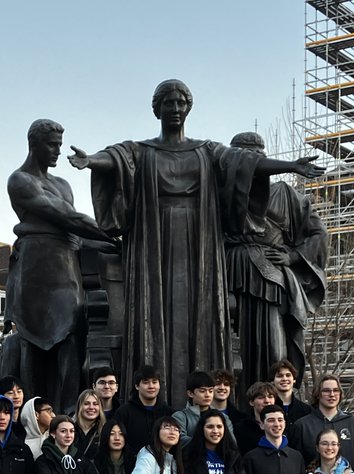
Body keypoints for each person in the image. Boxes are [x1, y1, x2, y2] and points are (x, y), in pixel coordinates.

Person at [70, 79, 322, 403]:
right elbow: (116, 159)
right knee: (153, 317)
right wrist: (90, 160)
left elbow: (245, 163)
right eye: (168, 103)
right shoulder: (142, 150)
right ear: (157, 109)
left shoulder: (207, 150)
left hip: (199, 247)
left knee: (202, 317)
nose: (174, 109)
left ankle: (202, 400)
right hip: (153, 245)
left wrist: (289, 165)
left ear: (188, 109)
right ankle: (153, 398)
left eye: (180, 103)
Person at [4, 118, 111, 413]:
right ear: (34, 144)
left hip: (66, 264)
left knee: (70, 334)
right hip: (36, 266)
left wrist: (110, 241)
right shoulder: (20, 180)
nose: (57, 151)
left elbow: (75, 227)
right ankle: (30, 413)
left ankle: (67, 412)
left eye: (59, 145)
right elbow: (67, 217)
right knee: (32, 341)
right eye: (51, 145)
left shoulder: (62, 184)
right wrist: (111, 236)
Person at [225, 132, 328, 385]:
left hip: (268, 275)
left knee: (273, 346)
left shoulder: (285, 194)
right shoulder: (222, 197)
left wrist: (293, 256)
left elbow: (320, 233)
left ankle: (274, 406)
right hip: (227, 270)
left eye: (252, 159)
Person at [291, 374, 354, 470]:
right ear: (318, 394)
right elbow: (296, 464)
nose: (332, 394)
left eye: (336, 390)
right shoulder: (302, 426)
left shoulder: (353, 425)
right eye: (326, 391)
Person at [112, 364, 172, 453]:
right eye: (145, 382)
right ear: (137, 386)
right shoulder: (123, 413)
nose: (151, 386)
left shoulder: (169, 413)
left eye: (154, 382)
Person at [172, 370, 224, 446]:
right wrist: (209, 440)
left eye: (211, 391)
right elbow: (180, 440)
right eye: (202, 391)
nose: (207, 395)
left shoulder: (222, 417)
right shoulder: (180, 417)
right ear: (190, 393)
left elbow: (230, 442)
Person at [234, 381, 277, 455]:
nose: (267, 401)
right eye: (261, 397)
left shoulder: (282, 427)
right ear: (251, 402)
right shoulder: (241, 428)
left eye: (270, 397)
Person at [269, 360, 312, 427]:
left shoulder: (307, 411)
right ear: (272, 381)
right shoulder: (268, 408)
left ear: (294, 380)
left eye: (288, 375)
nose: (284, 379)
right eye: (279, 376)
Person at [73, 388, 106, 459]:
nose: (91, 407)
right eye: (86, 404)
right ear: (79, 406)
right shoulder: (69, 429)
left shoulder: (105, 430)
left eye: (95, 404)